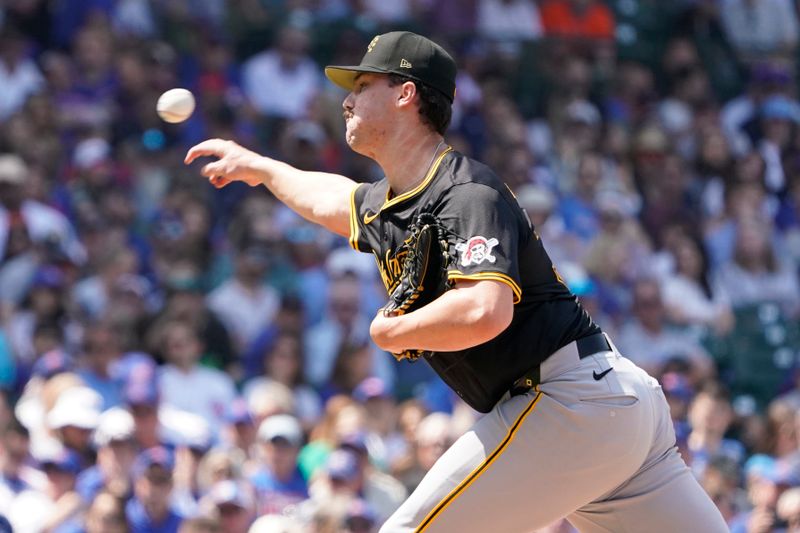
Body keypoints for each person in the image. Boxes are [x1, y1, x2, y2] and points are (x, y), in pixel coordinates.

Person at [186, 30, 727, 532]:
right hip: (609, 408)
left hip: (567, 400)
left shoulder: (466, 192)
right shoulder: (394, 200)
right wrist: (260, 167)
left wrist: (392, 333)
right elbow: (329, 197)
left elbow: (485, 310)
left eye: (364, 84)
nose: (347, 99)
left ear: (406, 95)